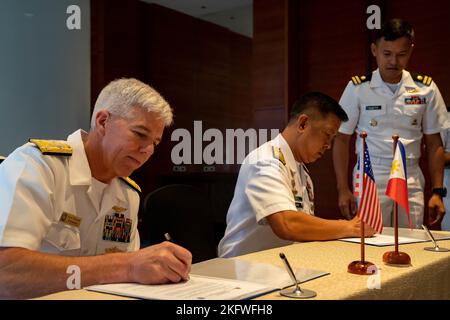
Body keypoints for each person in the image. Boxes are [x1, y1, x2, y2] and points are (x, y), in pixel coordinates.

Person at [0, 78, 192, 299]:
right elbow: (6, 273)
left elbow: (129, 282)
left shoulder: (128, 193)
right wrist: (128, 266)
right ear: (102, 122)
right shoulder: (38, 167)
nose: (147, 150)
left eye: (155, 143)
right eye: (140, 134)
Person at [218, 92, 376, 258]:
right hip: (242, 268)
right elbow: (287, 224)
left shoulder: (299, 167)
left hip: (277, 264)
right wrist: (349, 228)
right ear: (303, 124)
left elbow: (303, 227)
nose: (328, 146)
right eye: (327, 135)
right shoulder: (266, 161)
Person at [333, 19, 448, 230]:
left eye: (401, 54)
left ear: (411, 51)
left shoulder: (426, 88)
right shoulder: (358, 88)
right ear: (374, 50)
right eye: (387, 54)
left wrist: (438, 191)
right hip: (370, 175)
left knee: (409, 240)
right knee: (369, 238)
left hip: (410, 175)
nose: (394, 61)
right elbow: (341, 138)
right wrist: (343, 189)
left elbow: (434, 143)